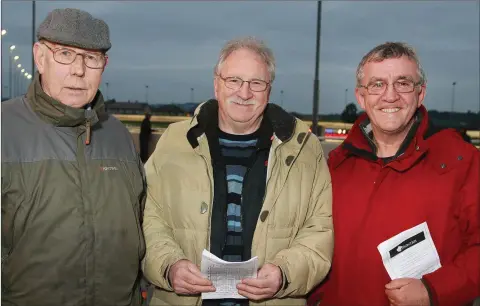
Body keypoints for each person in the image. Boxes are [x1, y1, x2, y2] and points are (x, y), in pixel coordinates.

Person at [142, 37, 333, 306]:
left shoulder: (305, 149)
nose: (244, 93)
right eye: (234, 80)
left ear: (269, 90)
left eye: (256, 83)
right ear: (216, 83)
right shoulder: (174, 142)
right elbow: (148, 218)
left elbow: (319, 230)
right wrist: (169, 266)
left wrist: (284, 274)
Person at [308, 42, 480, 306]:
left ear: (420, 93)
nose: (390, 96)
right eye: (377, 84)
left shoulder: (463, 162)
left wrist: (434, 291)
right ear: (361, 96)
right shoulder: (335, 165)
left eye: (403, 83)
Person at [1, 8, 146, 306]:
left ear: (104, 65)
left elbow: (141, 232)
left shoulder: (119, 137)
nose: (79, 70)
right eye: (65, 54)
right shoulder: (4, 129)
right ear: (39, 58)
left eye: (91, 58)